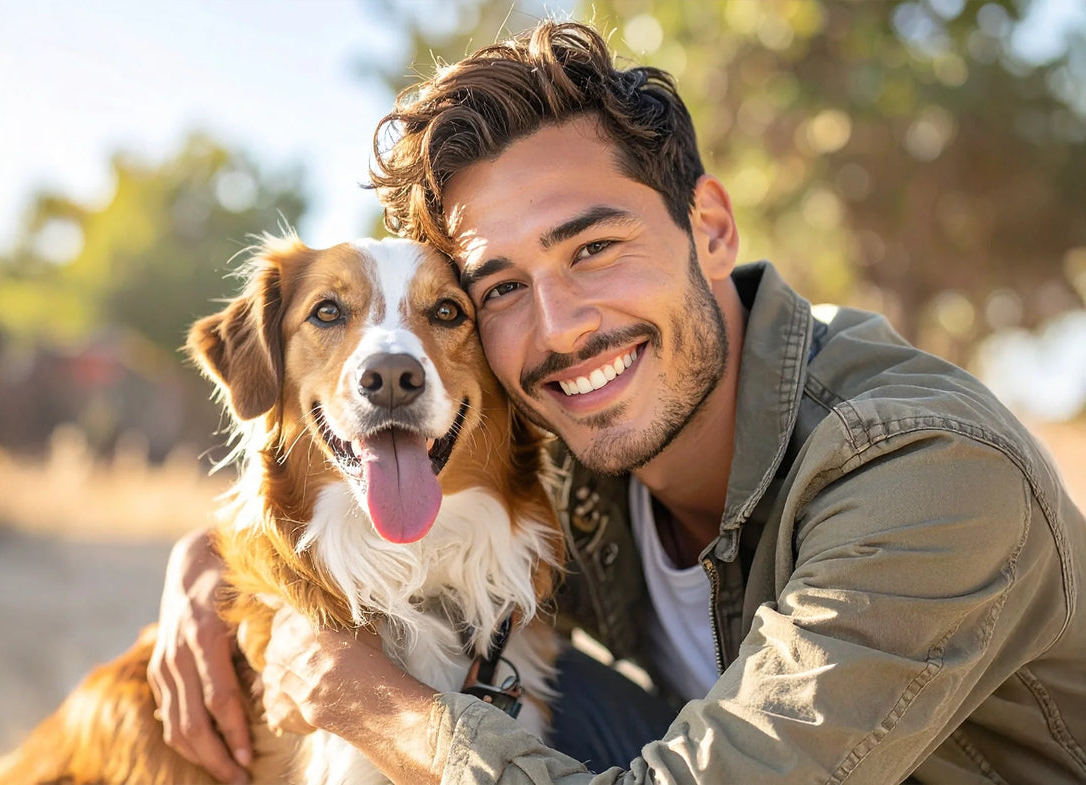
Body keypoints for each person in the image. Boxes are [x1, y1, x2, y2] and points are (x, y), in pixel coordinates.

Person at [148, 19, 1086, 785]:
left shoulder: (928, 473)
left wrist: (375, 705)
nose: (561, 327)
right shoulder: (569, 440)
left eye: (593, 248)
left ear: (709, 228)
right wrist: (208, 562)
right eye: (501, 287)